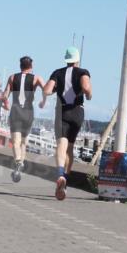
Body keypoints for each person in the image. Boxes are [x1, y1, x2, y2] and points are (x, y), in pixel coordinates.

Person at [42, 47, 92, 201]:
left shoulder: (57, 73)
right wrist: (89, 94)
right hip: (77, 112)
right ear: (77, 59)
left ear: (66, 59)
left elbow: (47, 90)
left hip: (62, 111)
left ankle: (60, 174)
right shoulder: (83, 72)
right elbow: (85, 87)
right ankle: (66, 180)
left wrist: (54, 90)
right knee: (70, 148)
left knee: (61, 146)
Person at [3, 56, 46, 183]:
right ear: (31, 67)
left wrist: (5, 102)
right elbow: (46, 89)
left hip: (16, 110)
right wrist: (43, 101)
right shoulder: (36, 78)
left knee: (15, 142)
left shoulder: (12, 77)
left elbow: (5, 94)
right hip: (28, 112)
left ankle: (18, 162)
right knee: (23, 142)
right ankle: (20, 163)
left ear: (20, 66)